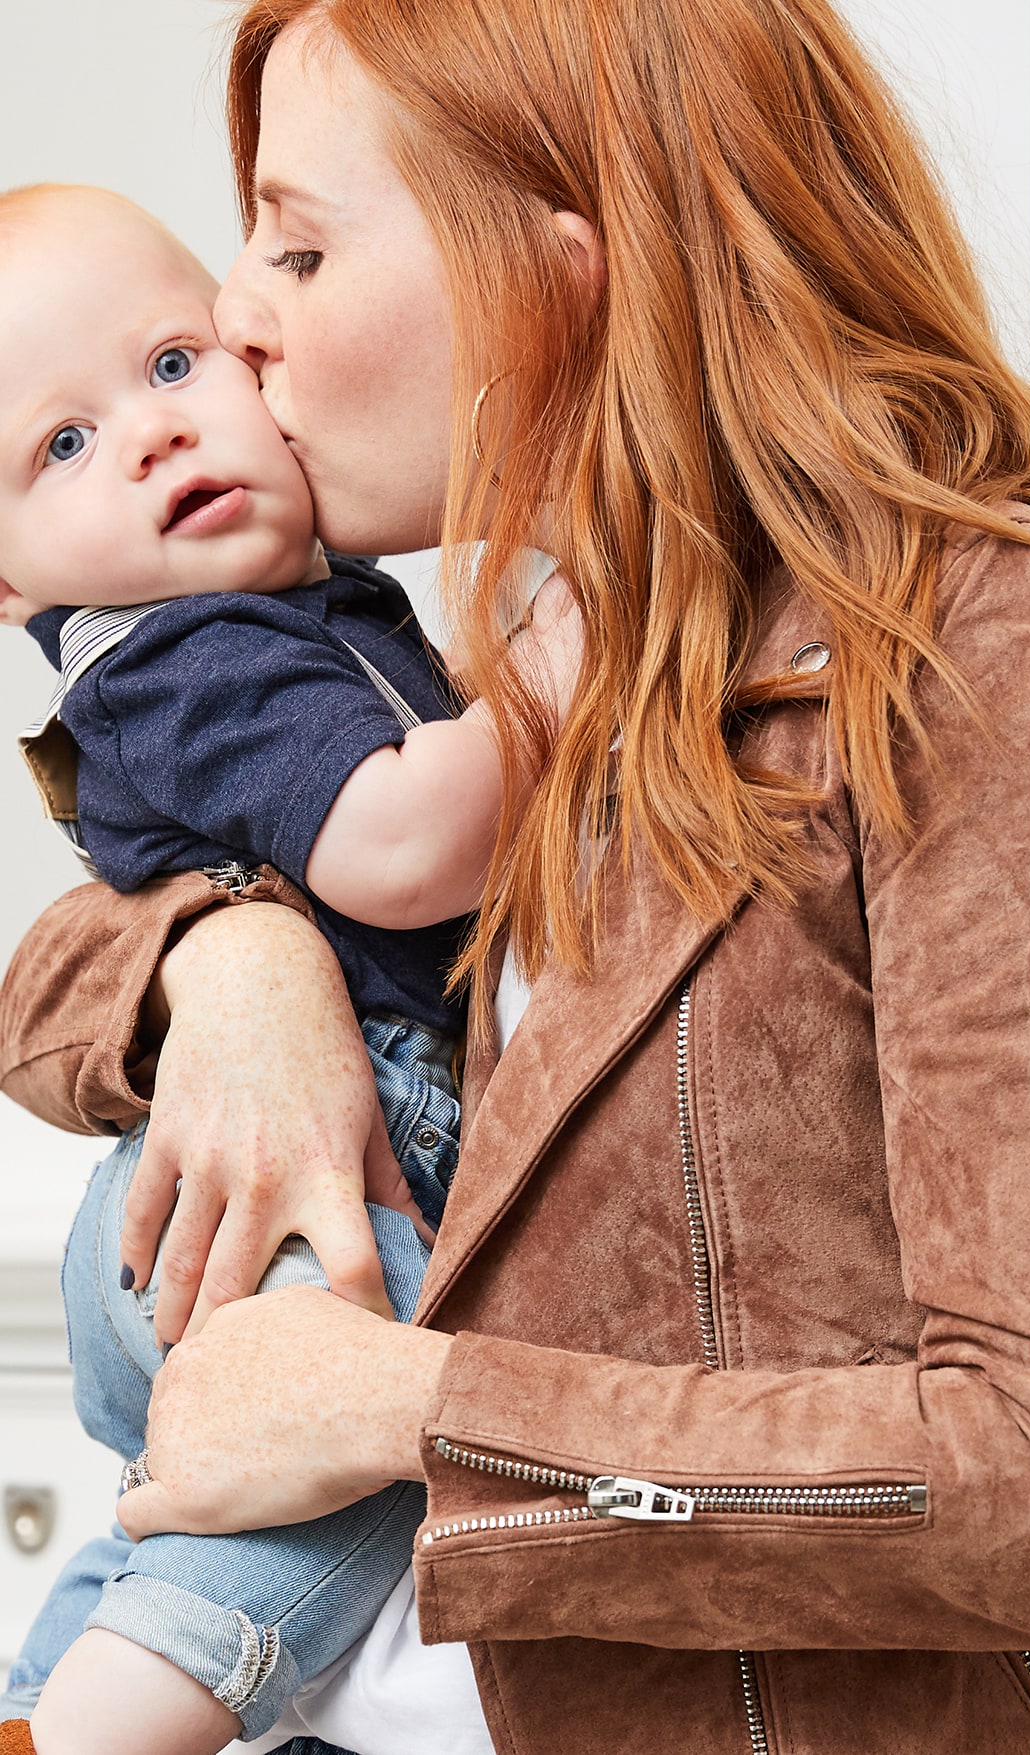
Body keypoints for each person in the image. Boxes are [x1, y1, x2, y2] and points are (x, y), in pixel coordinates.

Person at [3, 0, 1030, 1752]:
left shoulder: (995, 657)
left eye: (300, 248)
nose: (237, 321)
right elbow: (60, 968)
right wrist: (235, 964)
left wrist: (419, 1407)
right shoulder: (551, 655)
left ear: (558, 277)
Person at [0, 184, 576, 1753]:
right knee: (364, 1466)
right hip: (296, 1187)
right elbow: (394, 847)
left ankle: (47, 1705)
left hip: (202, 1197)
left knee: (185, 1510)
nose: (147, 435)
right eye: (59, 446)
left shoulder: (297, 611)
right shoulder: (199, 654)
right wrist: (551, 675)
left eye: (174, 364)